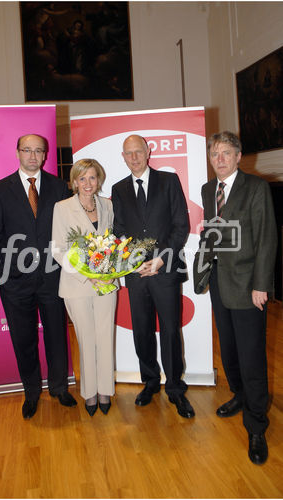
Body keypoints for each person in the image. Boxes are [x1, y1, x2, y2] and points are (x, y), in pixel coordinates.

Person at [193, 131, 277, 465]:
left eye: (227, 153)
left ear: (239, 156)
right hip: (218, 283)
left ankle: (256, 425)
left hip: (247, 286)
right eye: (215, 154)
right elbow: (213, 233)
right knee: (228, 350)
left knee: (252, 355)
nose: (221, 159)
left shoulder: (256, 188)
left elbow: (267, 238)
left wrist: (261, 285)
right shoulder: (207, 189)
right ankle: (240, 395)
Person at [0, 134, 77, 419]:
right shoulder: (2, 189)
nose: (33, 156)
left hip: (52, 279)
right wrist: (2, 275)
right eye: (27, 150)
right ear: (17, 152)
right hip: (16, 283)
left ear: (46, 155)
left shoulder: (60, 187)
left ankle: (60, 388)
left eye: (39, 151)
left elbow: (70, 232)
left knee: (56, 336)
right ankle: (31, 392)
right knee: (23, 339)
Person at [111, 134, 195, 418]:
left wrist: (159, 260)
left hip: (166, 270)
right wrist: (134, 261)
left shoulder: (168, 181)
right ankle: (149, 382)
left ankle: (174, 388)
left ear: (148, 152)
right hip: (136, 274)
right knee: (142, 330)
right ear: (122, 157)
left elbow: (180, 226)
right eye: (128, 153)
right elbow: (118, 229)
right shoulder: (118, 189)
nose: (134, 157)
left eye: (138, 151)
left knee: (171, 331)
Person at [52, 159, 118, 416]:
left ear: (98, 180)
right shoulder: (62, 208)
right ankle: (90, 392)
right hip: (77, 284)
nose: (88, 184)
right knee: (87, 339)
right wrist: (88, 275)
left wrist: (108, 272)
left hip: (107, 283)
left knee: (105, 338)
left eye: (92, 178)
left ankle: (105, 391)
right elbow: (59, 249)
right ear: (74, 181)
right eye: (82, 178)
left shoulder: (108, 206)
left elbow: (113, 243)